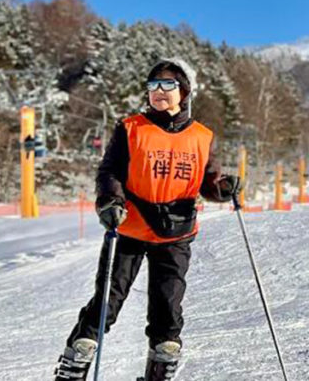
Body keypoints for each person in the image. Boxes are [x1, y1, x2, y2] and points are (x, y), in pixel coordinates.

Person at [53, 58, 240, 381]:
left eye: (168, 85)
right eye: (153, 85)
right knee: (108, 299)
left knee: (168, 308)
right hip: (131, 227)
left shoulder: (201, 136)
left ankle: (160, 369)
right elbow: (110, 170)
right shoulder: (131, 128)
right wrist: (110, 201)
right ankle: (75, 365)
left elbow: (208, 181)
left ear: (184, 92)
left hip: (176, 233)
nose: (159, 92)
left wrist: (223, 188)